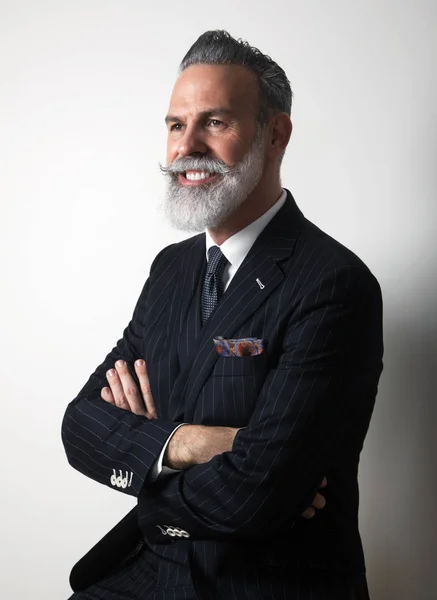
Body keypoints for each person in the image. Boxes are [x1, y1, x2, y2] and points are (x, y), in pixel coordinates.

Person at [62, 30, 383, 600]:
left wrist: (145, 458)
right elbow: (80, 425)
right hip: (149, 574)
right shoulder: (171, 270)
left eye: (215, 122)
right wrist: (187, 443)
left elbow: (258, 494)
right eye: (175, 125)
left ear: (275, 133)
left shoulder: (334, 283)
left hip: (264, 583)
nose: (188, 147)